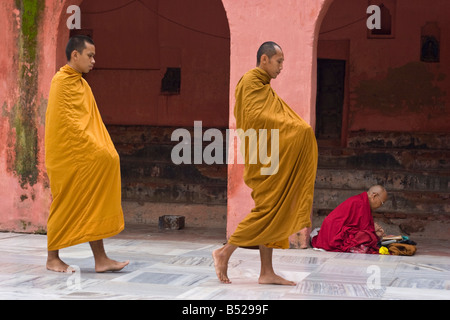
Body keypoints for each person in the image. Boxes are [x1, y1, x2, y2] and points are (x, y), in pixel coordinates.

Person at [213, 42, 318, 285]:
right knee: (267, 210)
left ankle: (266, 272)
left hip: (270, 153)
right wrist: (297, 128)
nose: (282, 67)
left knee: (272, 209)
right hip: (262, 154)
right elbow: (256, 118)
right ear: (264, 59)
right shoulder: (250, 81)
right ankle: (224, 252)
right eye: (278, 61)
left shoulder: (263, 85)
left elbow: (270, 116)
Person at [45, 35, 129, 273]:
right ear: (75, 55)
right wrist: (96, 149)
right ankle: (52, 259)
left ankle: (101, 260)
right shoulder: (61, 82)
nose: (94, 60)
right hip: (68, 157)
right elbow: (67, 125)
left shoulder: (82, 84)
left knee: (94, 202)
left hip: (83, 155)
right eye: (90, 55)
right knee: (63, 202)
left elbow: (91, 123)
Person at [311, 185, 388, 254]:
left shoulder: (363, 202)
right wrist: (373, 232)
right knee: (367, 237)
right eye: (381, 202)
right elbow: (356, 229)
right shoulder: (358, 203)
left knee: (368, 236)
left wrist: (374, 231)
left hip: (339, 231)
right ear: (374, 196)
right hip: (333, 234)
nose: (380, 206)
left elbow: (357, 226)